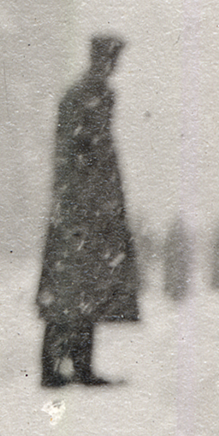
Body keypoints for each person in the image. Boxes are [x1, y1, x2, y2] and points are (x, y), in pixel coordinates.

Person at [37, 34, 140, 385]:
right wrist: (81, 204)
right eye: (110, 59)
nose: (113, 66)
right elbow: (72, 154)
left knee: (87, 289)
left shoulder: (102, 95)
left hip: (96, 208)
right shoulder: (79, 96)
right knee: (68, 289)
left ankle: (81, 367)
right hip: (77, 209)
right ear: (97, 58)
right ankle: (51, 369)